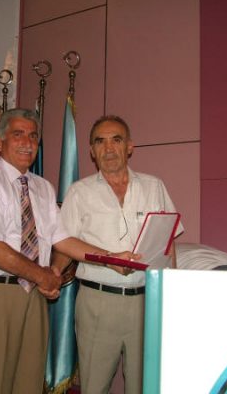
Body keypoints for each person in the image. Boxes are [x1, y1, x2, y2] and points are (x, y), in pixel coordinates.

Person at [0, 108, 135, 394]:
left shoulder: (42, 187)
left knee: (28, 383)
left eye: (33, 136)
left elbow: (63, 239)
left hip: (34, 297)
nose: (27, 142)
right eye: (18, 134)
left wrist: (110, 259)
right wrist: (44, 276)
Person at [52, 115, 184, 394]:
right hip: (97, 303)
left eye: (116, 140)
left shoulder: (154, 186)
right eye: (100, 141)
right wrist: (54, 273)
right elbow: (64, 242)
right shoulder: (79, 192)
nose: (109, 148)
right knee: (94, 386)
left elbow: (167, 243)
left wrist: (170, 296)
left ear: (130, 146)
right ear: (91, 151)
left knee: (144, 386)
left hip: (146, 302)